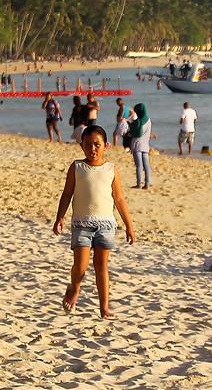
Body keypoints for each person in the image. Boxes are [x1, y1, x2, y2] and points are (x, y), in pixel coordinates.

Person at [53, 125, 136, 318]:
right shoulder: (77, 167)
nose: (92, 149)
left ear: (106, 146)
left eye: (97, 145)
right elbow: (67, 194)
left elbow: (119, 199)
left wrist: (129, 226)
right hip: (82, 224)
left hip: (106, 225)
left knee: (101, 267)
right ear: (81, 145)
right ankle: (74, 287)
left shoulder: (111, 169)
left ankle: (104, 307)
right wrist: (60, 217)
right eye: (88, 145)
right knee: (80, 267)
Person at [128, 103, 152, 189]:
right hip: (145, 145)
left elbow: (136, 132)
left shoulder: (139, 121)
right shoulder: (148, 120)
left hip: (137, 144)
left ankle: (139, 184)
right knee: (147, 166)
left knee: (139, 166)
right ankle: (147, 184)